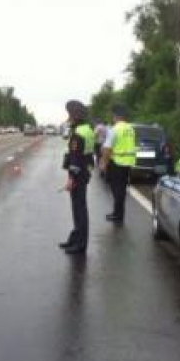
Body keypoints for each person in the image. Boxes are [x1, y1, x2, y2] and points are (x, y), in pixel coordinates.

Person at [59, 100, 94, 254]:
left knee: (79, 210)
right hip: (85, 171)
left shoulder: (78, 133)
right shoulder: (87, 130)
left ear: (74, 116)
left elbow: (75, 158)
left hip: (78, 174)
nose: (68, 117)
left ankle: (80, 244)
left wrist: (71, 179)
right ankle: (75, 238)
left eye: (70, 115)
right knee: (80, 209)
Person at [98, 104, 136, 225]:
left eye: (112, 116)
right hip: (128, 163)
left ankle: (118, 216)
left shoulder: (114, 129)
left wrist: (103, 162)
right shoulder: (130, 128)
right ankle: (117, 213)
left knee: (117, 190)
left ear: (115, 116)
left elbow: (108, 148)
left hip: (117, 163)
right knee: (121, 190)